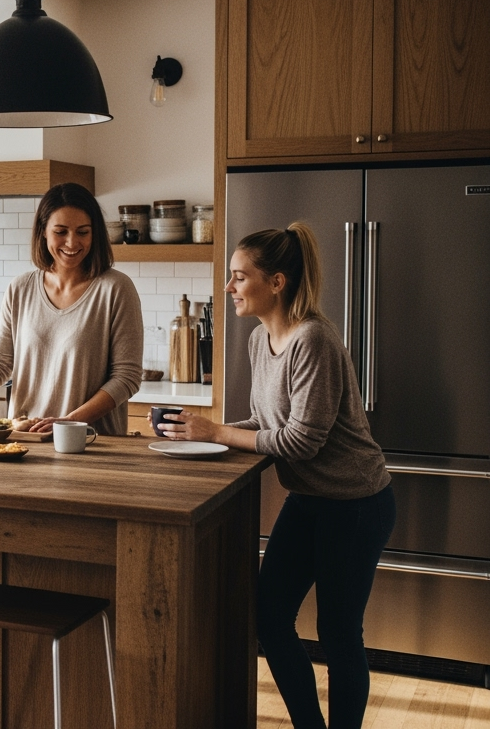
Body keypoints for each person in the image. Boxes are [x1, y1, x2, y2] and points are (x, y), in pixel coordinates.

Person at [158, 222, 394, 729]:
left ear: (277, 282)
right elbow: (265, 426)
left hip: (354, 505)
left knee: (337, 635)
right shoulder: (261, 339)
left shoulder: (312, 340)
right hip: (310, 500)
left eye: (240, 278)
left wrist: (217, 431)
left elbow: (301, 441)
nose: (229, 288)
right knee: (268, 618)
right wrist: (194, 434)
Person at [0, 182, 143, 435]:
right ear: (43, 232)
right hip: (26, 440)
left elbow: (127, 377)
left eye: (83, 232)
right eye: (60, 231)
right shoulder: (21, 288)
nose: (72, 242)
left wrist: (68, 422)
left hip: (90, 443)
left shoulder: (116, 289)